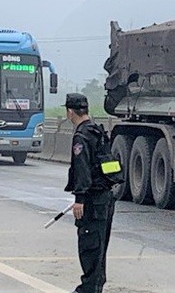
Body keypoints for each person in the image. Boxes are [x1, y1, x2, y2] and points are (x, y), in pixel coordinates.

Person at [63, 93, 115, 293]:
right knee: (100, 247)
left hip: (92, 201)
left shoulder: (81, 136)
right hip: (106, 197)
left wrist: (80, 199)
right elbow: (110, 167)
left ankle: (88, 289)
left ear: (69, 112)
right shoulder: (98, 132)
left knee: (90, 246)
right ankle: (95, 286)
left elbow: (82, 169)